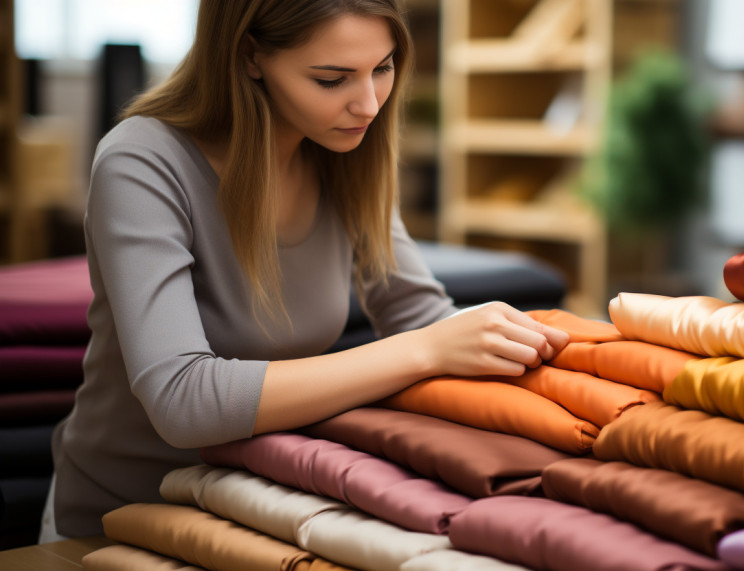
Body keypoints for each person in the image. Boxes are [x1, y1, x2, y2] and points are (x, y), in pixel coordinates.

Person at [42, 0, 569, 540]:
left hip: (255, 510)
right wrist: (427, 349)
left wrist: (559, 355)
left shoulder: (342, 151)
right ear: (250, 55)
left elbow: (417, 313)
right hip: (116, 520)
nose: (368, 104)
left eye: (382, 68)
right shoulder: (142, 162)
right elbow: (183, 400)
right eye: (332, 79)